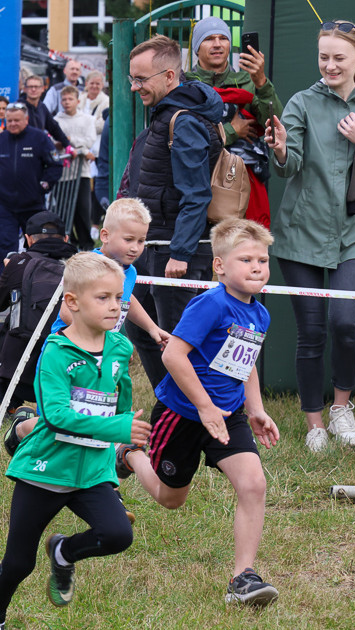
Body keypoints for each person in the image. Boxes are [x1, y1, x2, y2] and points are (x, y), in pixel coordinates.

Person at [0, 253, 147, 630]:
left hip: (92, 471)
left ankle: (64, 552)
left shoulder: (120, 347)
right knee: (19, 563)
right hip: (46, 469)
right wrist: (116, 431)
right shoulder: (55, 352)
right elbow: (56, 416)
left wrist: (124, 443)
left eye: (119, 298)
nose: (115, 306)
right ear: (72, 302)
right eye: (103, 298)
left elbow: (123, 402)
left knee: (118, 535)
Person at [117, 219, 281, 607]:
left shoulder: (260, 314)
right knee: (170, 498)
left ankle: (243, 578)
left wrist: (255, 409)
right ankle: (127, 454)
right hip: (183, 414)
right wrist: (204, 407)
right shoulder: (210, 303)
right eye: (246, 260)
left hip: (228, 416)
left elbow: (247, 363)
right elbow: (174, 353)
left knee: (253, 484)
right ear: (220, 266)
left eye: (262, 260)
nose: (257, 267)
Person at [263, 19, 355, 452]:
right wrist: (282, 147)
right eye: (324, 57)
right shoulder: (301, 102)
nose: (330, 65)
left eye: (339, 57)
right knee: (311, 331)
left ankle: (342, 407)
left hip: (354, 234)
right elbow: (288, 165)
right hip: (302, 234)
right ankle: (314, 424)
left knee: (346, 325)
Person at [5, 200, 171, 452]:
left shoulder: (130, 271)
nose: (136, 247)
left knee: (93, 416)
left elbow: (128, 299)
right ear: (105, 235)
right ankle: (21, 429)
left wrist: (151, 327)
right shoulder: (88, 265)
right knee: (54, 423)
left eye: (141, 241)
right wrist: (97, 336)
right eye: (128, 239)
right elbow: (65, 309)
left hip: (102, 357)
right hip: (67, 354)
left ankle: (97, 473)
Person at [124, 34, 225, 390]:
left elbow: (196, 194)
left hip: (176, 253)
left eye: (141, 79)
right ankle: (170, 410)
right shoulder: (167, 115)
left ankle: (195, 417)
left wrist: (180, 252)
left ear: (169, 77)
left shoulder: (184, 121)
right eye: (132, 78)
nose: (135, 87)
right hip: (154, 247)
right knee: (140, 328)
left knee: (178, 348)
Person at [185, 17, 283, 229]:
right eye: (209, 39)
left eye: (223, 38)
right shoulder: (186, 85)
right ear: (196, 48)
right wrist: (232, 131)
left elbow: (274, 125)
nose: (218, 44)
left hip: (242, 183)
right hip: (197, 181)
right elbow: (185, 135)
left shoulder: (248, 81)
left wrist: (261, 83)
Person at [0, 211, 76, 415]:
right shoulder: (81, 265)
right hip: (68, 372)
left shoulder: (20, 262)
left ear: (27, 239)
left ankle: (12, 406)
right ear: (66, 239)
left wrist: (8, 271)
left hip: (21, 376)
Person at [0, 102, 63, 276]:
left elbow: (55, 166)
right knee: (5, 245)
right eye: (9, 121)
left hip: (33, 205)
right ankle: (3, 285)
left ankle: (38, 280)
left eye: (16, 120)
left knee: (37, 245)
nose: (12, 124)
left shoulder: (40, 138)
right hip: (5, 205)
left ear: (26, 119)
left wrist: (42, 187)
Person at [54, 85, 99, 249]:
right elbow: (54, 142)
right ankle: (69, 244)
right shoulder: (57, 120)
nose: (67, 102)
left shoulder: (87, 119)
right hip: (63, 174)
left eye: (70, 99)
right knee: (64, 211)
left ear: (78, 101)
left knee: (83, 211)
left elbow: (89, 140)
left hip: (82, 173)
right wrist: (81, 150)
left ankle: (86, 244)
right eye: (64, 99)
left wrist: (70, 141)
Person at [18, 75, 71, 147]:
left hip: (38, 149)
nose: (33, 89)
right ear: (25, 89)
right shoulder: (18, 108)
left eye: (36, 87)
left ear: (43, 89)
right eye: (30, 87)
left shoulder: (42, 107)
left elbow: (54, 128)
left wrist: (67, 145)